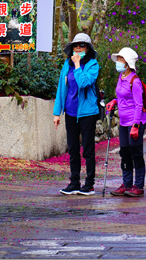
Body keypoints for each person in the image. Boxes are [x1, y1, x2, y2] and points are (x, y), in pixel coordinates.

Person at [53, 32, 100, 196]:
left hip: (87, 113)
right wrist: (57, 113)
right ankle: (74, 182)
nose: (78, 48)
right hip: (71, 113)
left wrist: (78, 65)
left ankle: (89, 184)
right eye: (76, 45)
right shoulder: (67, 64)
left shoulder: (93, 65)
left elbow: (83, 83)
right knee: (73, 149)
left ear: (88, 49)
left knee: (88, 149)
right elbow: (61, 88)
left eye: (82, 45)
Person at [105, 46, 146, 197]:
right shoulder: (121, 77)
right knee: (125, 153)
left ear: (128, 62)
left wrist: (135, 126)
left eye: (121, 59)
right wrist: (114, 101)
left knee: (136, 152)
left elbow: (138, 105)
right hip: (123, 122)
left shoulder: (134, 81)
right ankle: (127, 183)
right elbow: (122, 96)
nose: (118, 61)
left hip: (135, 122)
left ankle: (139, 186)